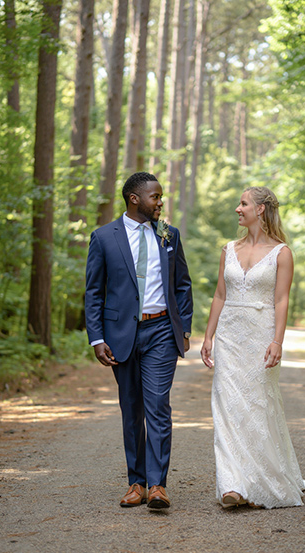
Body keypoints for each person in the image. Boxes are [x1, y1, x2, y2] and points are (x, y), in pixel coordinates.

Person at [201, 186, 305, 509]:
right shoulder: (229, 248)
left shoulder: (282, 253)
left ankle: (262, 477)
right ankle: (232, 484)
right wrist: (208, 336)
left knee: (258, 405)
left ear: (261, 209)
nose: (238, 209)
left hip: (261, 334)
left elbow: (281, 300)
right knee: (226, 407)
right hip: (229, 336)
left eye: (243, 203)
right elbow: (220, 295)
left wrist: (277, 341)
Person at [85, 172, 193, 509]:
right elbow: (93, 292)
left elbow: (183, 284)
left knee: (157, 405)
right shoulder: (104, 237)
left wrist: (184, 328)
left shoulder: (167, 234)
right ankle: (137, 482)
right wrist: (97, 337)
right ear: (135, 199)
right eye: (155, 197)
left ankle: (158, 485)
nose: (160, 203)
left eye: (160, 197)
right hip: (121, 335)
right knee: (131, 409)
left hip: (161, 330)